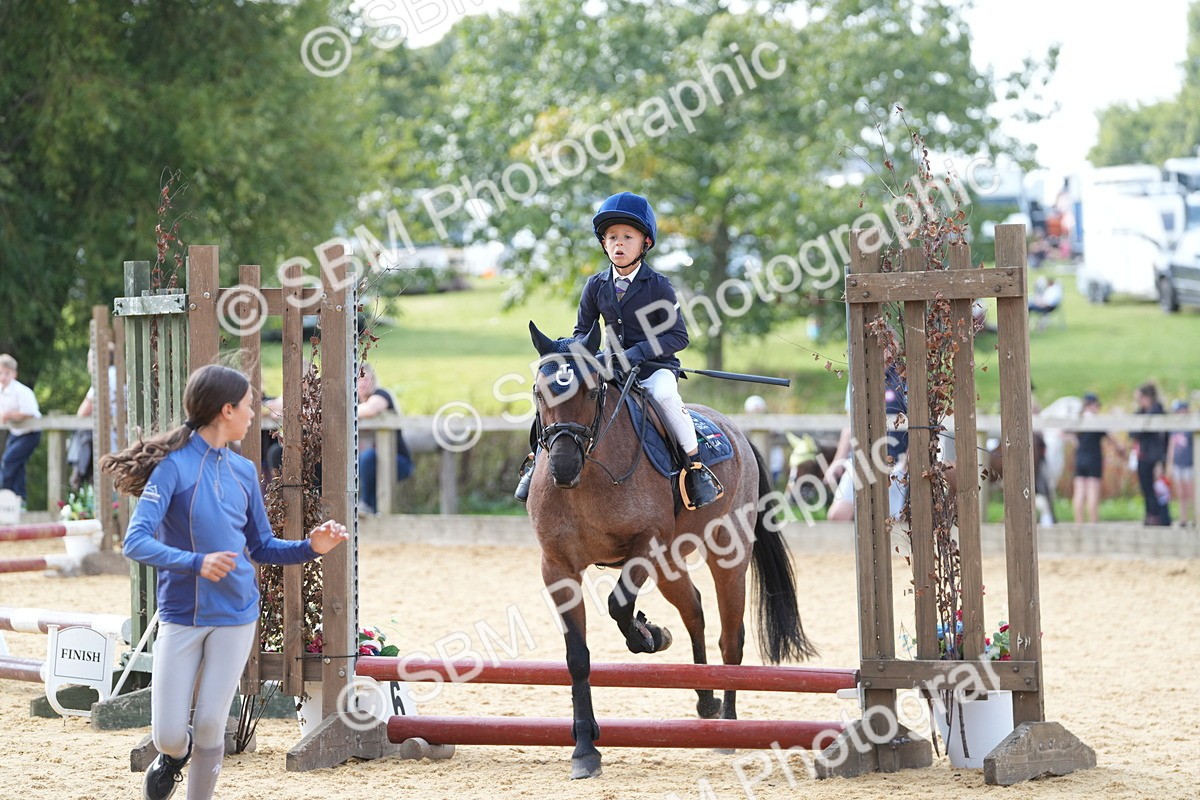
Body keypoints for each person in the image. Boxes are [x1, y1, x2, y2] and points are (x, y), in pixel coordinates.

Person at [99, 364, 349, 800]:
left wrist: (312, 547)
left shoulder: (245, 471)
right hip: (182, 615)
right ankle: (173, 759)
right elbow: (135, 543)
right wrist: (196, 563)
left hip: (237, 614)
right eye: (250, 406)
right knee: (169, 736)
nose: (255, 414)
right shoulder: (173, 469)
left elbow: (262, 547)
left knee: (213, 723)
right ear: (226, 409)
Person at [514, 191, 722, 509]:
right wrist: (574, 355)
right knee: (558, 394)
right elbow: (582, 332)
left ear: (645, 243)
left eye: (627, 237)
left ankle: (695, 469)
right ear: (604, 244)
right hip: (608, 367)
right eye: (612, 237)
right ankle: (535, 460)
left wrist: (636, 354)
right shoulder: (595, 285)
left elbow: (678, 336)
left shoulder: (658, 285)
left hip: (655, 368)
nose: (619, 244)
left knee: (667, 398)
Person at [824, 364, 908, 522]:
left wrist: (908, 459)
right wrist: (838, 461)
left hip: (894, 463)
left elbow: (916, 423)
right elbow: (849, 424)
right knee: (837, 516)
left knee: (891, 522)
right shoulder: (858, 377)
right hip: (860, 460)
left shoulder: (904, 378)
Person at [357, 363, 413, 515]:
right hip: (366, 465)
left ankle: (367, 504)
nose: (362, 383)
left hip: (397, 461)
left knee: (369, 456)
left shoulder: (382, 395)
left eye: (366, 378)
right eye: (358, 379)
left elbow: (370, 409)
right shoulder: (354, 403)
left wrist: (341, 411)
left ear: (374, 380)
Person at [1070, 392, 1123, 524]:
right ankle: (1093, 525)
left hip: (1080, 459)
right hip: (1093, 460)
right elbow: (1111, 438)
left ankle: (1079, 524)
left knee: (1079, 493)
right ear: (1091, 405)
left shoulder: (1079, 421)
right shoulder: (1097, 421)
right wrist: (1121, 449)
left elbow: (1068, 434)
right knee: (1092, 493)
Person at [0, 354, 43, 502]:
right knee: (17, 465)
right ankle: (19, 499)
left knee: (8, 460)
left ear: (14, 374)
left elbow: (30, 413)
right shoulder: (1, 391)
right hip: (16, 432)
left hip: (30, 433)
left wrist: (9, 415)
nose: (3, 377)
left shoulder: (21, 391)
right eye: (0, 373)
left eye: (7, 373)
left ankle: (5, 494)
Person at [1131, 382, 1171, 526]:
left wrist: (1161, 461)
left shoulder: (1158, 413)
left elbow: (1163, 439)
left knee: (1158, 491)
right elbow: (1133, 432)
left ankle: (1160, 518)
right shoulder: (1141, 413)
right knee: (1146, 490)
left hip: (1155, 458)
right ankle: (1150, 516)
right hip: (1143, 456)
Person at [1167, 399, 1195, 527]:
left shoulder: (1191, 428)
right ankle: (1183, 518)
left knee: (1191, 493)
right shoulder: (1175, 428)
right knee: (1181, 494)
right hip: (1178, 465)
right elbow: (1171, 447)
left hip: (1190, 465)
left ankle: (1195, 518)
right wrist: (1170, 464)